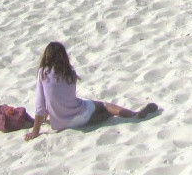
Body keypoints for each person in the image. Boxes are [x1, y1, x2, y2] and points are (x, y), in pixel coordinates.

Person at [24, 42, 156, 141]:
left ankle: (100, 117)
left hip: (59, 123)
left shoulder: (43, 73)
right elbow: (66, 96)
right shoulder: (70, 73)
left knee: (94, 109)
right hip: (77, 114)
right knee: (104, 106)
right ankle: (133, 115)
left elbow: (40, 105)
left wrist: (35, 131)